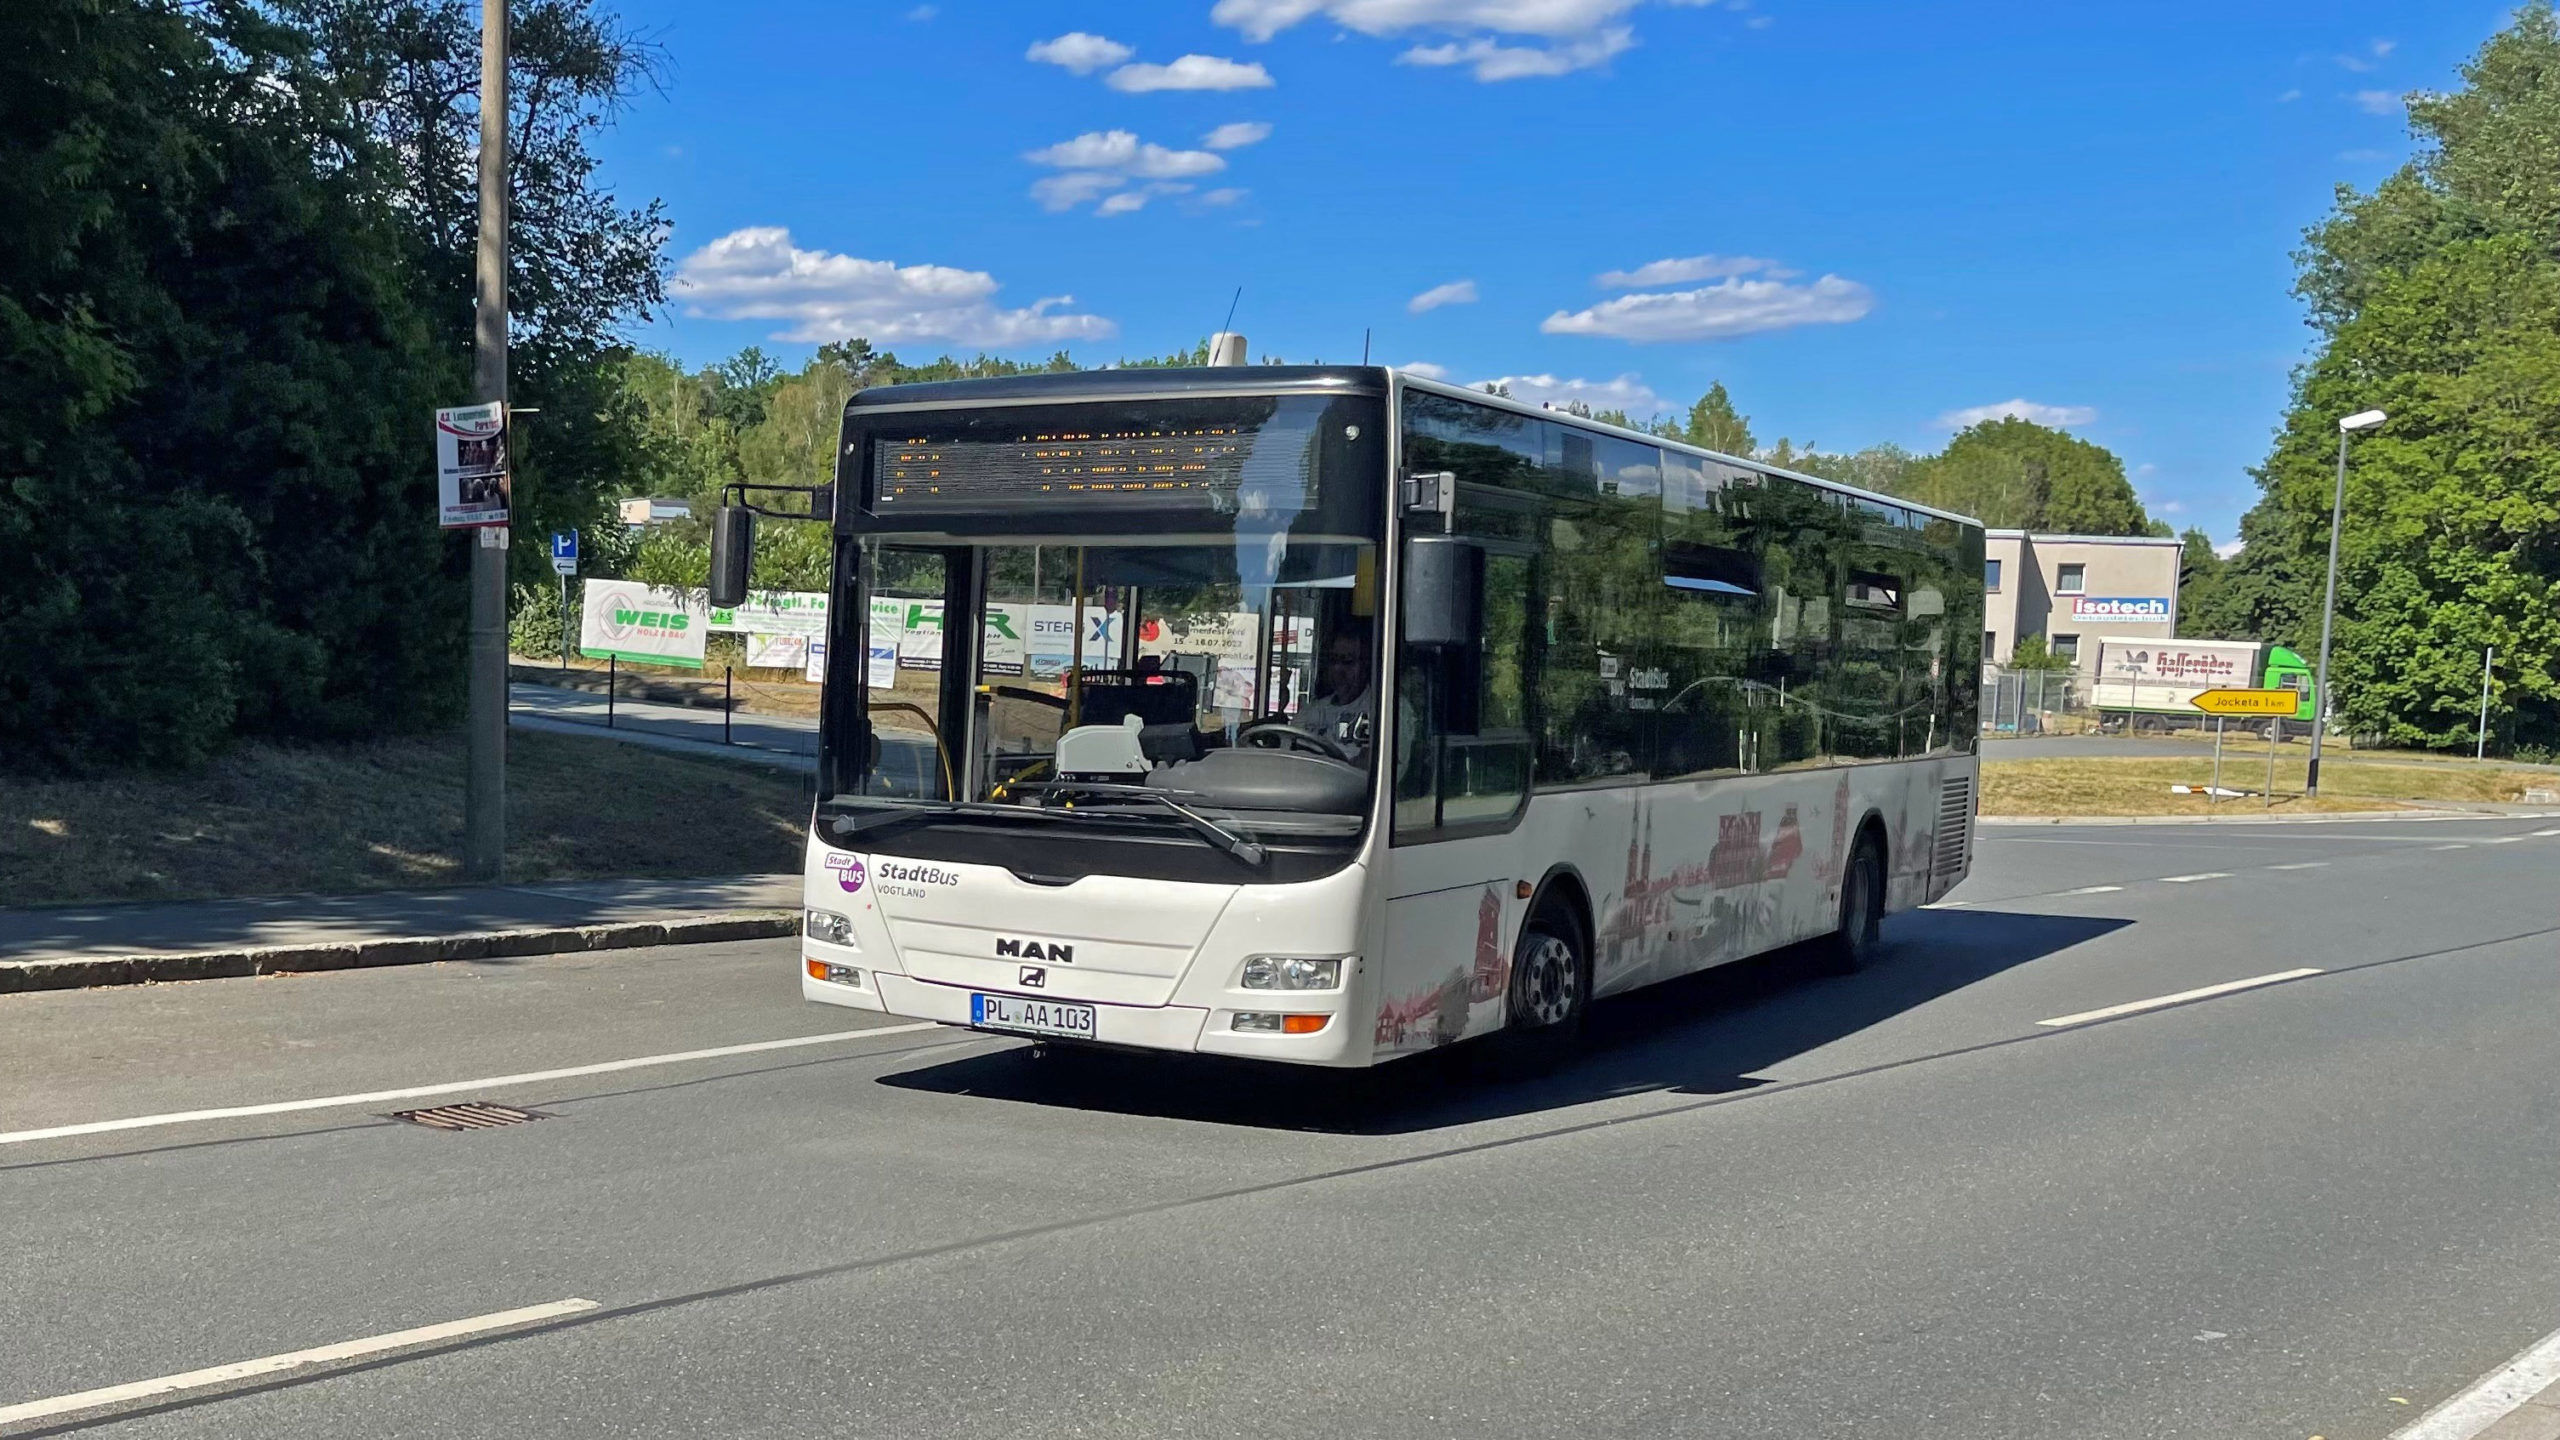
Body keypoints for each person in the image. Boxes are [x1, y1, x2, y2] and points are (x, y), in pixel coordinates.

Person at [1295, 628, 1376, 758]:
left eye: (1347, 661)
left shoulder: (1383, 712)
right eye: (1333, 660)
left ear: (1365, 666)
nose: (1338, 669)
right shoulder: (1310, 712)